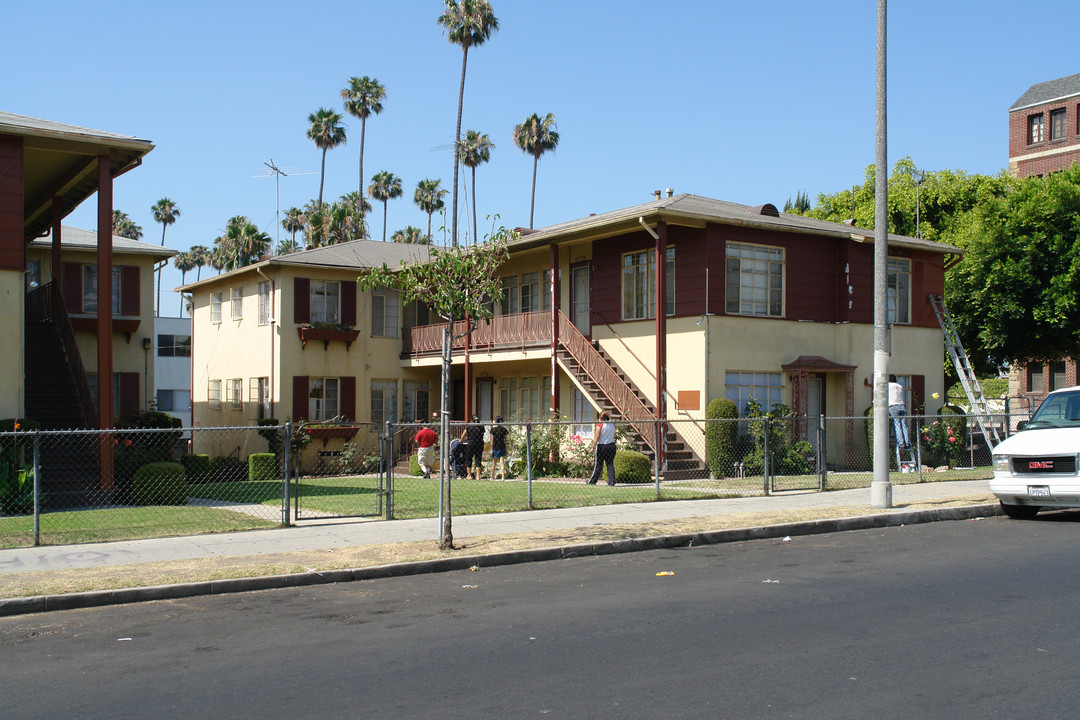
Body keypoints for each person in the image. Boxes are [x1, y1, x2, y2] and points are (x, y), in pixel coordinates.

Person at [588, 411, 617, 486]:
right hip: (611, 445)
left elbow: (597, 436)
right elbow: (614, 436)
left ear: (601, 418)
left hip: (602, 446)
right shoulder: (612, 425)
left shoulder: (600, 425)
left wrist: (592, 447)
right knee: (610, 464)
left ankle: (593, 481)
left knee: (598, 464)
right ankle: (611, 482)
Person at [888, 374, 910, 449]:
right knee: (904, 425)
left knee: (897, 424)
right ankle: (907, 442)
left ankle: (901, 443)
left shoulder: (888, 385)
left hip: (893, 406)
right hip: (902, 406)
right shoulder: (900, 386)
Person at [462, 414, 485, 480]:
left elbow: (463, 435)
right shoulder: (481, 426)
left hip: (471, 444)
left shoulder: (469, 427)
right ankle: (478, 476)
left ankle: (469, 475)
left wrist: (461, 440)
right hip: (480, 444)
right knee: (478, 459)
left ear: (471, 420)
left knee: (469, 459)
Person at [489, 416, 509, 481]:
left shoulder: (493, 430)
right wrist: (506, 450)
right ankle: (503, 477)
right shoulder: (504, 430)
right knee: (502, 463)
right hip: (502, 447)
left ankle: (492, 477)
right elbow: (505, 440)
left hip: (495, 447)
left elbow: (492, 441)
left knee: (494, 463)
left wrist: (491, 449)